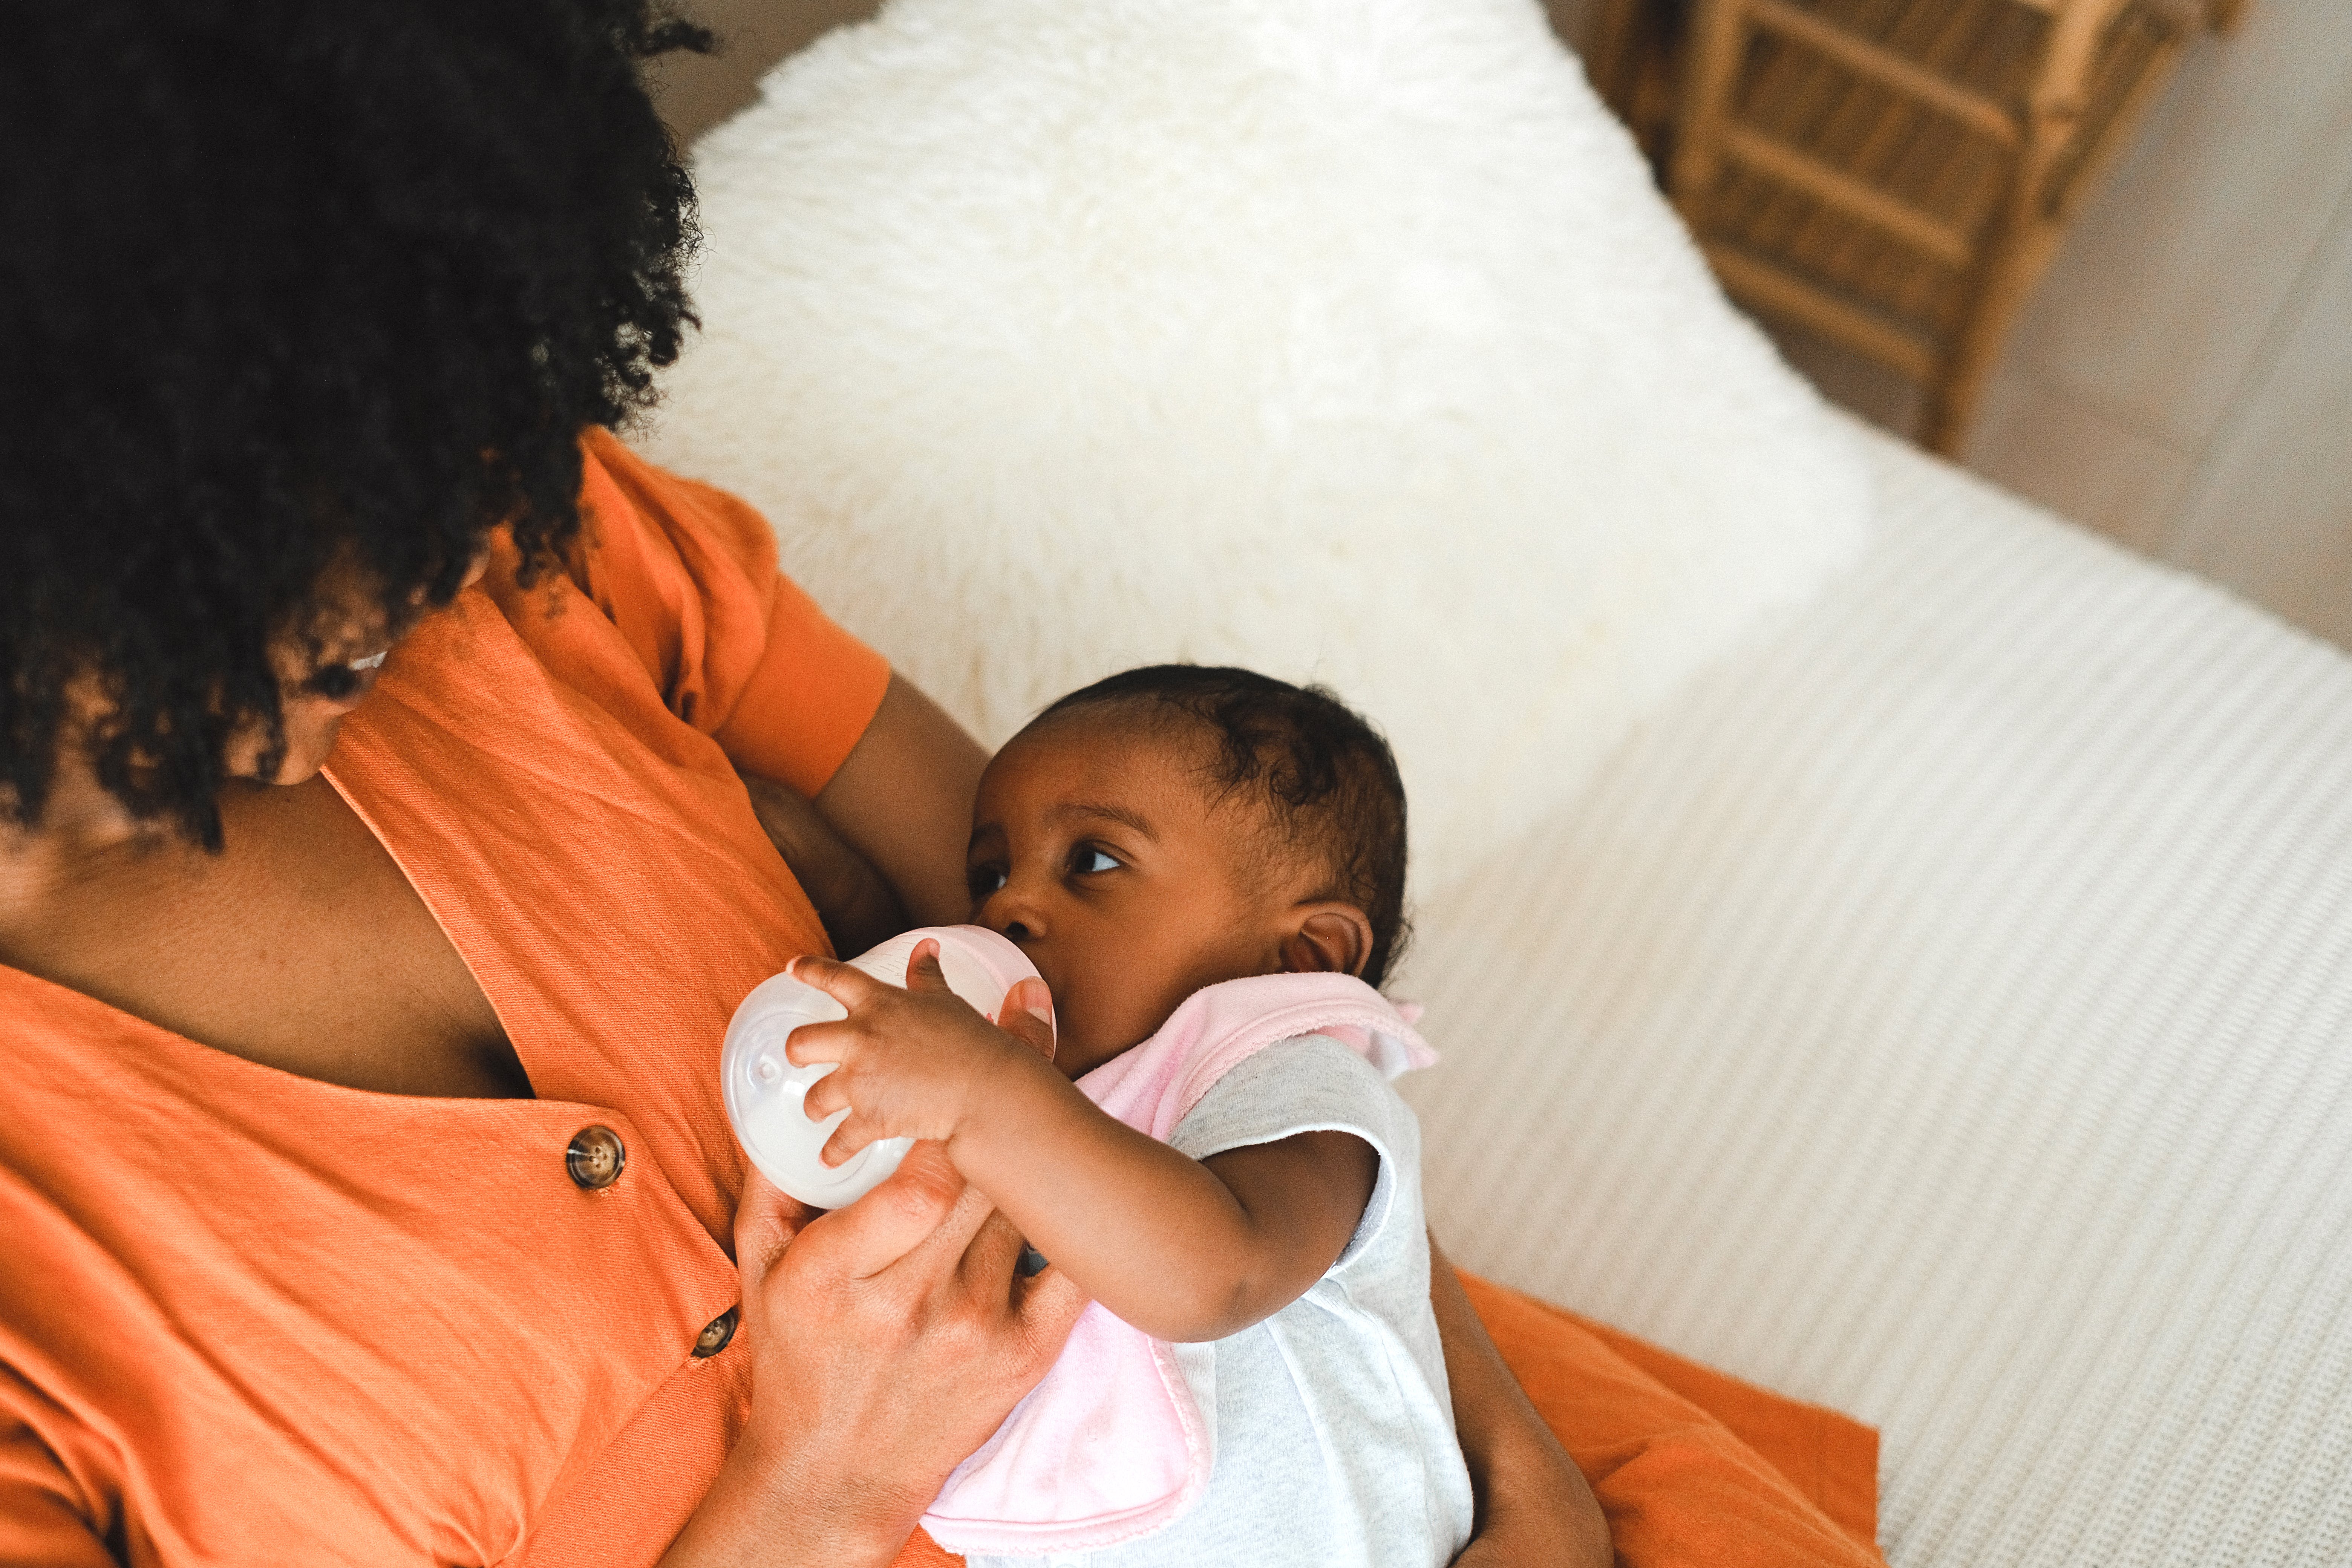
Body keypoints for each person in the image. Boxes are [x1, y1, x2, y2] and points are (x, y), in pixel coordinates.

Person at [0, 5, 1609, 1566]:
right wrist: (822, 1491)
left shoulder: (485, 520)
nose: (411, 582)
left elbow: (1204, 980)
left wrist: (1511, 1463)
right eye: (267, 522)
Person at [789, 666, 1474, 1566]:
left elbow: (1215, 1277)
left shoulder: (1303, 1087)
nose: (1007, 906)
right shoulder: (1047, 1102)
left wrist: (981, 1095)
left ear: (1302, 953)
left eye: (1094, 861)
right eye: (988, 872)